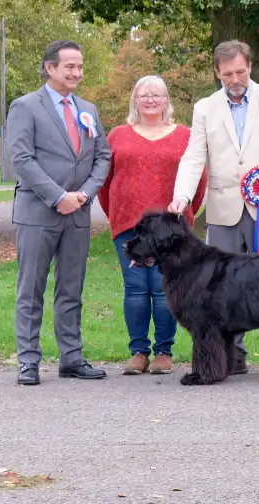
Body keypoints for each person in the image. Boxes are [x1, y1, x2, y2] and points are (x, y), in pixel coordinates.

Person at [169, 40, 259, 378]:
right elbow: (194, 157)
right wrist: (183, 197)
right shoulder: (204, 108)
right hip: (223, 209)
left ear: (250, 66)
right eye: (227, 74)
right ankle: (231, 355)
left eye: (240, 71)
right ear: (217, 72)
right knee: (221, 288)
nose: (235, 79)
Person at [6, 40, 112, 385]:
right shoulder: (25, 107)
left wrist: (83, 194)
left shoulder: (88, 109)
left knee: (71, 289)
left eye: (80, 67)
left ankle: (72, 357)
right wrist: (57, 196)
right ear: (49, 68)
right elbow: (21, 159)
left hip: (78, 213)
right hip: (38, 213)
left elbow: (103, 157)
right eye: (70, 66)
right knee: (31, 289)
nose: (77, 73)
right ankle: (28, 361)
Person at [99, 76, 203, 375]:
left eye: (156, 94)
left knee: (163, 289)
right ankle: (138, 352)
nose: (149, 100)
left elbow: (199, 177)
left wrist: (187, 214)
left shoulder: (184, 135)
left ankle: (163, 352)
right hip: (129, 225)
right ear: (134, 100)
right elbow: (105, 183)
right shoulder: (118, 135)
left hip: (170, 231)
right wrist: (116, 214)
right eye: (143, 95)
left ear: (166, 99)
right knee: (134, 289)